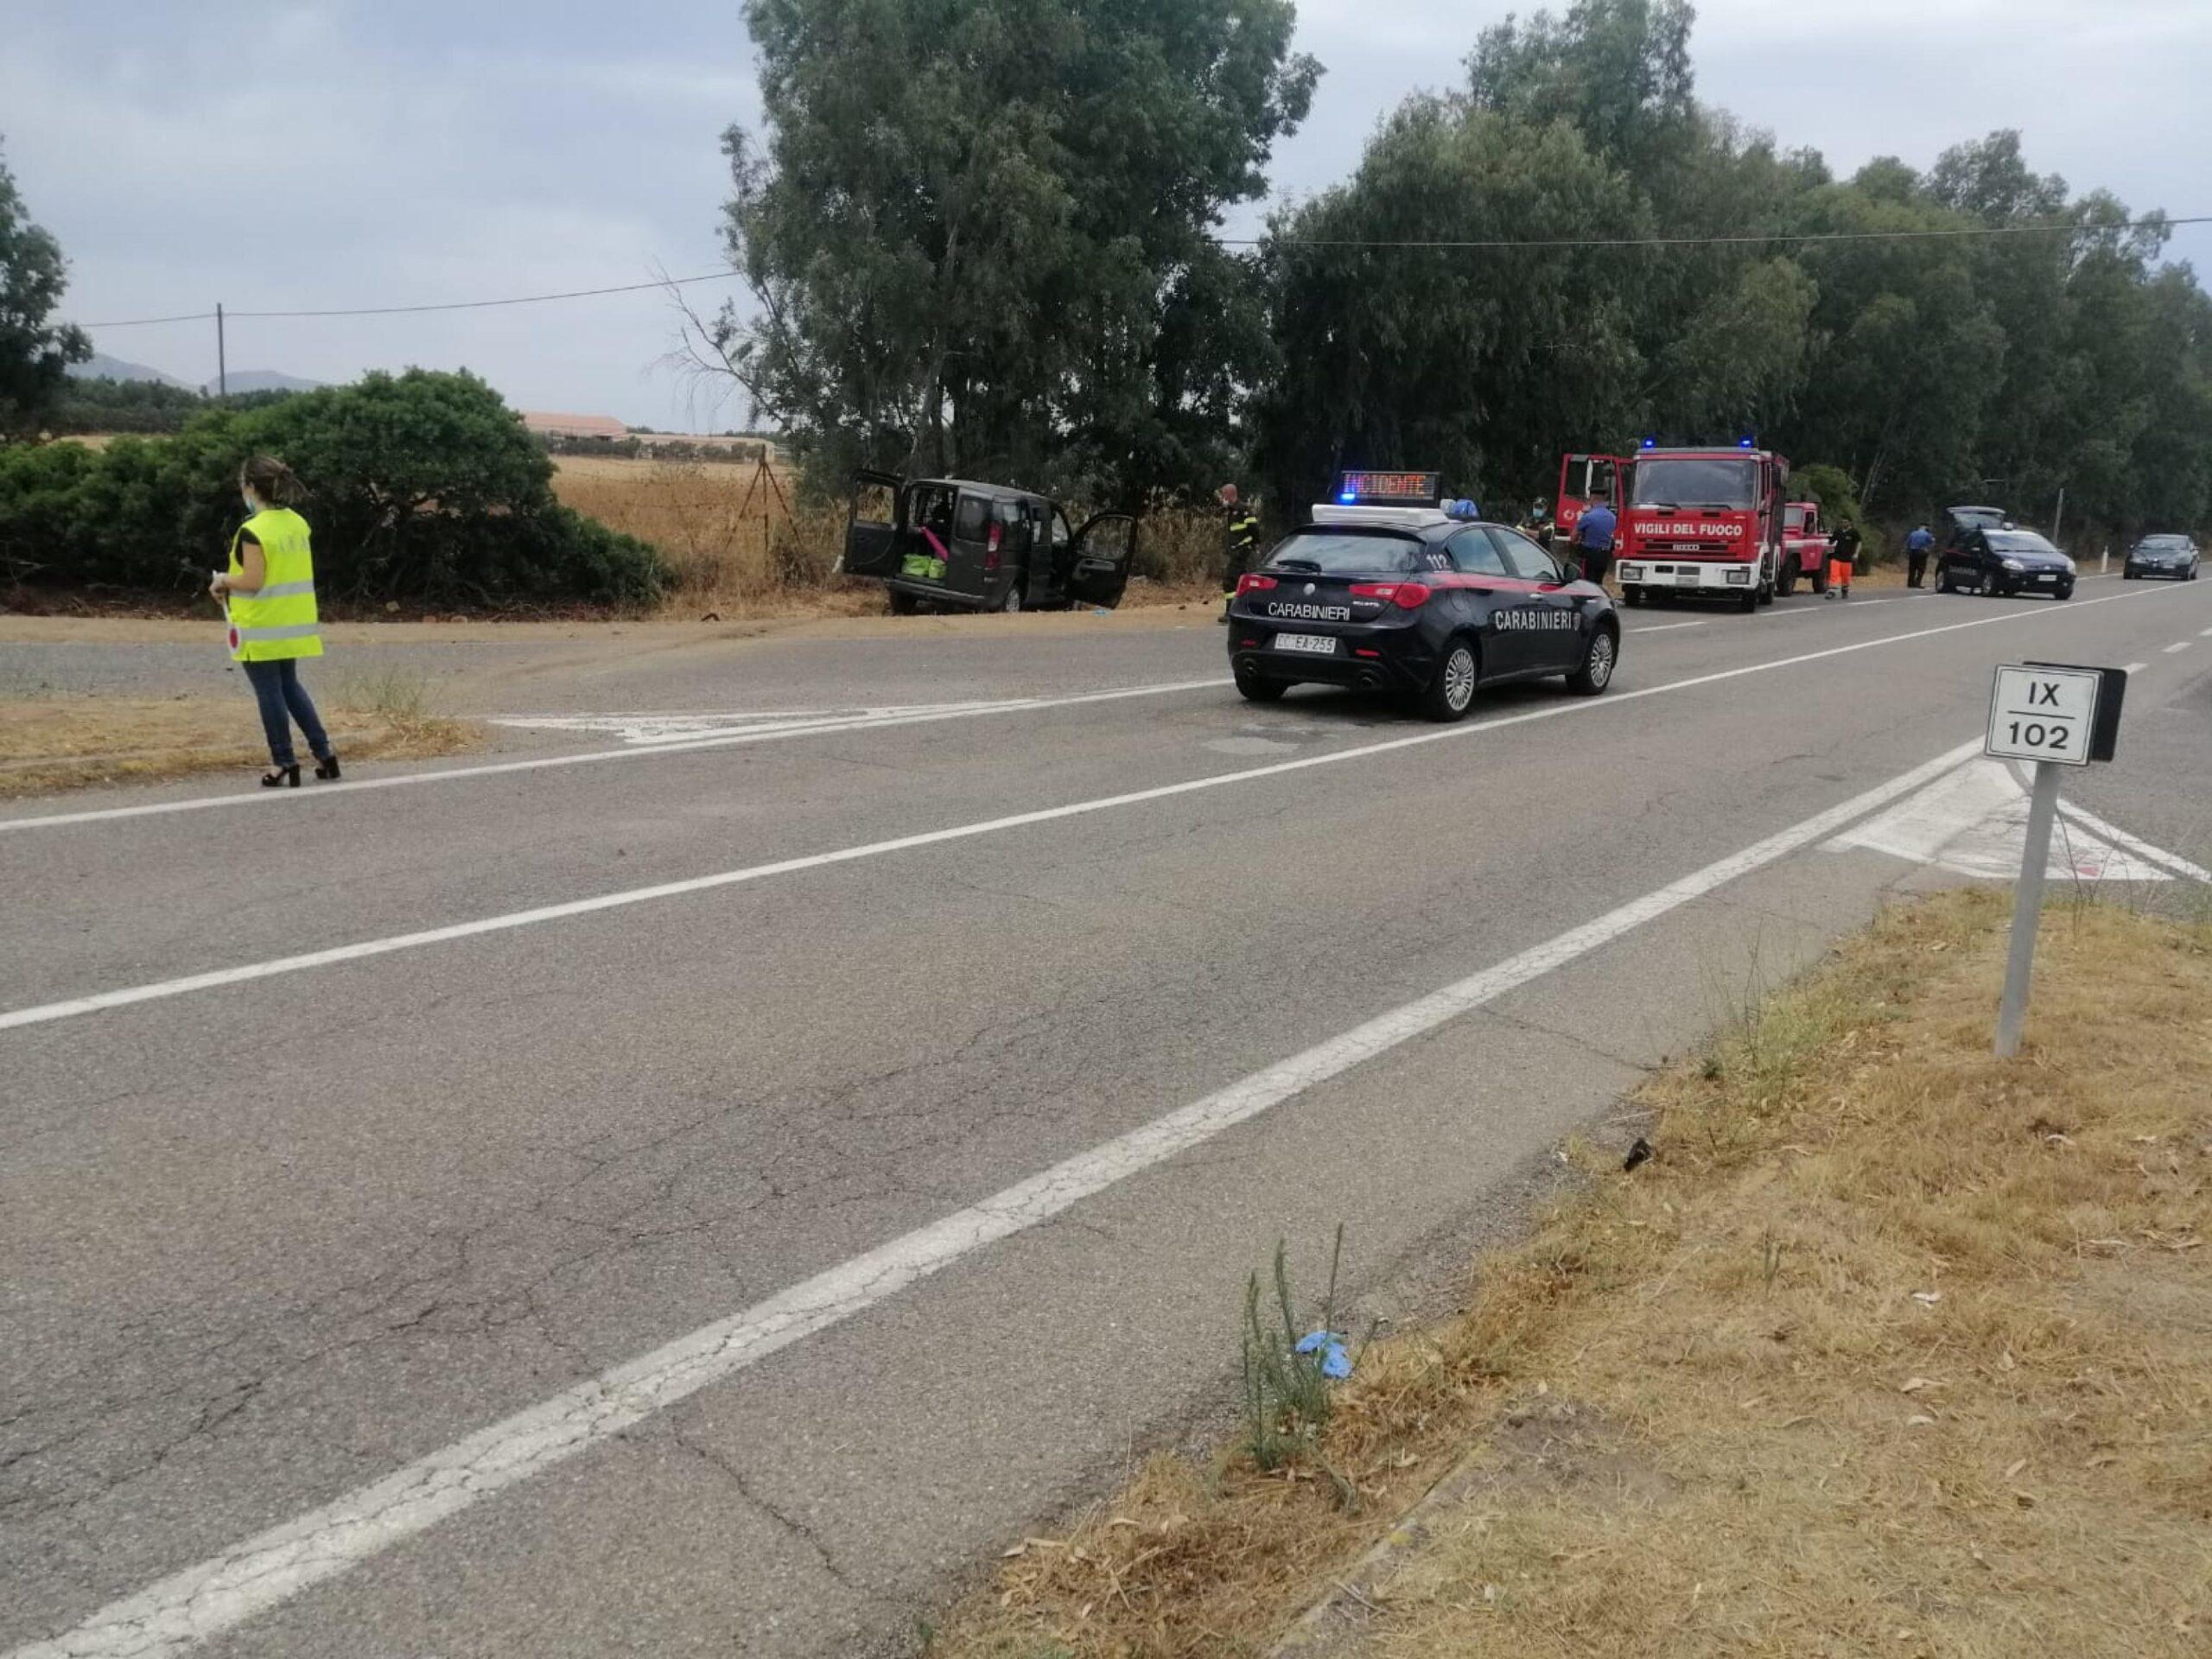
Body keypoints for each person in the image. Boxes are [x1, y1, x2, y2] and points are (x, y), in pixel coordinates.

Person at [210, 454, 337, 787]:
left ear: (251, 488)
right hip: (292, 622)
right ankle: (325, 754)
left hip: (261, 624)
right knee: (290, 686)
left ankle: (283, 760)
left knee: (269, 692)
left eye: (243, 486)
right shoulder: (297, 523)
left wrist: (223, 579)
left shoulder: (253, 530)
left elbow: (253, 580)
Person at [1218, 483, 1259, 621]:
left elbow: (1254, 529)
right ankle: (1243, 611)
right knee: (1241, 582)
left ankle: (1231, 612)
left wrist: (1253, 545)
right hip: (1236, 551)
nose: (1222, 498)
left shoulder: (1243, 510)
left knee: (1229, 581)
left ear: (1230, 495)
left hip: (1242, 551)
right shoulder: (1231, 511)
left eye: (1223, 495)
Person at [1573, 498, 1618, 588]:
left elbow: (1573, 537)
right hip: (1605, 555)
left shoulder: (1588, 517)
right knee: (1598, 582)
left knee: (1587, 582)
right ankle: (1597, 599)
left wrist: (1579, 541)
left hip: (1590, 554)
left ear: (1592, 501)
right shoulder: (1613, 517)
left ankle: (1587, 599)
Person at [1825, 519, 1863, 600]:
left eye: (1846, 522)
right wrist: (1829, 536)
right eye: (1842, 522)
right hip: (1837, 557)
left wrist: (1856, 553)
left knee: (1845, 576)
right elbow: (1831, 542)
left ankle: (1845, 590)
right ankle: (1832, 591)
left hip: (1847, 558)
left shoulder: (1853, 532)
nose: (1844, 523)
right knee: (1834, 574)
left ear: (1850, 522)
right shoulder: (1838, 532)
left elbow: (1859, 542)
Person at [1904, 522, 1935, 588]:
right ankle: (1918, 583)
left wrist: (1907, 550)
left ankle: (1910, 583)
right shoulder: (1927, 534)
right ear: (1926, 527)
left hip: (1913, 551)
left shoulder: (1913, 533)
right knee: (1921, 568)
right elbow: (1931, 542)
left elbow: (1907, 542)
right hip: (1922, 552)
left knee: (1912, 568)